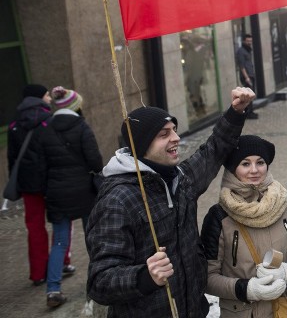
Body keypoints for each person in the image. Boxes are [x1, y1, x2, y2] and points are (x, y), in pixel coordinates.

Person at [86, 87, 256, 317]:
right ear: (142, 144)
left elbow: (214, 150)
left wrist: (236, 112)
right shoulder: (118, 200)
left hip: (193, 310)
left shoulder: (181, 179)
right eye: (164, 134)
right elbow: (99, 282)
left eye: (174, 130)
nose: (176, 138)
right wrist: (144, 277)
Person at [201, 135, 287, 317]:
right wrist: (247, 289)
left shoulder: (286, 203)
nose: (254, 170)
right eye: (245, 164)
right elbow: (207, 276)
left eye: (260, 162)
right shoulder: (218, 216)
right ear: (232, 168)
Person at [29, 86, 103, 307]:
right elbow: (95, 162)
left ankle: (53, 290)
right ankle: (97, 283)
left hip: (56, 194)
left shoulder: (44, 129)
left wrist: (47, 190)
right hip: (84, 193)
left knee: (60, 241)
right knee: (93, 239)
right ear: (75, 106)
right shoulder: (81, 127)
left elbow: (40, 168)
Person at [7, 84, 73, 286]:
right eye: (46, 95)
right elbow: (57, 153)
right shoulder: (50, 121)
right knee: (61, 223)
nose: (49, 99)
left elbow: (12, 159)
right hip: (51, 182)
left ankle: (38, 273)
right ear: (38, 97)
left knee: (34, 227)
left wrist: (17, 183)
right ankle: (61, 262)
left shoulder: (14, 125)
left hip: (28, 187)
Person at [236, 34, 260, 119]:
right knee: (248, 96)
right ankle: (248, 113)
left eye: (250, 41)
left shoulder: (248, 50)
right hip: (247, 77)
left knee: (250, 96)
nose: (249, 43)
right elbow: (241, 66)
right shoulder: (241, 51)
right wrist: (246, 78)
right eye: (248, 41)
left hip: (251, 74)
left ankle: (250, 111)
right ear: (244, 41)